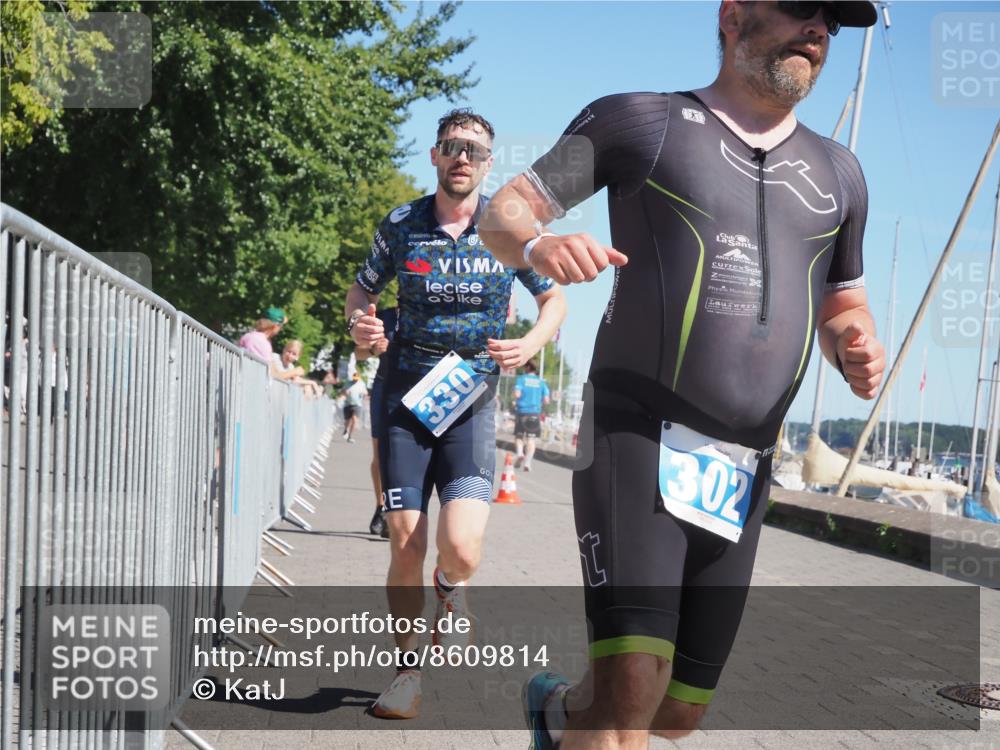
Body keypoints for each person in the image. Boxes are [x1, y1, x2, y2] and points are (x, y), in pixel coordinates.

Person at [479, 2, 886, 747]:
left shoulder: (841, 174)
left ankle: (556, 712)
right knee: (631, 697)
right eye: (800, 6)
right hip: (635, 432)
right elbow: (503, 211)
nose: (818, 28)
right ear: (733, 15)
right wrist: (538, 247)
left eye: (833, 18)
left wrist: (854, 344)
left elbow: (842, 305)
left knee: (676, 712)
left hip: (744, 464)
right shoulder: (637, 123)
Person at [344, 108, 567, 719]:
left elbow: (554, 301)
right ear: (436, 157)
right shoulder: (401, 225)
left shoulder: (506, 226)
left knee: (462, 550)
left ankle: (454, 587)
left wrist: (530, 343)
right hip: (404, 395)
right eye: (451, 146)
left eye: (474, 149)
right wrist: (360, 322)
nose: (462, 156)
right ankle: (407, 672)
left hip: (471, 395)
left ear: (489, 162)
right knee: (406, 542)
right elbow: (362, 290)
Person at [356, 306, 398, 537]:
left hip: (419, 389)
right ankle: (381, 506)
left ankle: (400, 510)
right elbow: (358, 352)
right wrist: (373, 349)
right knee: (381, 452)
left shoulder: (431, 312)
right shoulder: (384, 316)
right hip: (385, 385)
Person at [238, 306, 299, 380]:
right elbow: (273, 374)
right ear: (275, 326)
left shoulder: (248, 335)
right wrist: (295, 372)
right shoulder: (262, 343)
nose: (281, 329)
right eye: (281, 326)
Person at [513, 358, 550, 472]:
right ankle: (528, 463)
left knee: (519, 437)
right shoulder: (542, 382)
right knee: (531, 440)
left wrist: (515, 398)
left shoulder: (521, 379)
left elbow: (517, 394)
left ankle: (520, 453)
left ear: (527, 367)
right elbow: (546, 400)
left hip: (522, 412)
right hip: (534, 413)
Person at [342, 372, 368, 443]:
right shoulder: (348, 383)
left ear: (359, 378)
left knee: (355, 420)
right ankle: (345, 429)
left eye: (357, 379)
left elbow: (366, 392)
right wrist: (345, 393)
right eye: (354, 379)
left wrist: (364, 394)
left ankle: (350, 436)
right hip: (348, 404)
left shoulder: (361, 384)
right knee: (347, 420)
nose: (355, 380)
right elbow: (343, 391)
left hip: (357, 405)